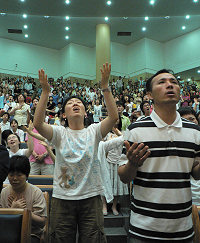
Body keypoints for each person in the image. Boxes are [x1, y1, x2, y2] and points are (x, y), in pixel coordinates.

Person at [33, 63, 118, 243]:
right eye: (70, 103)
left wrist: (105, 87)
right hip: (62, 199)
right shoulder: (59, 133)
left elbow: (113, 117)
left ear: (85, 111)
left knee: (93, 239)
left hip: (91, 197)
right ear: (64, 115)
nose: (75, 104)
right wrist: (45, 92)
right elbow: (38, 124)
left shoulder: (93, 131)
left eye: (79, 102)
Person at [118, 69, 200, 242]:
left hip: (183, 229)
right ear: (149, 94)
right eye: (161, 82)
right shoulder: (136, 130)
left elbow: (196, 173)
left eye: (173, 82)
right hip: (143, 229)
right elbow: (124, 177)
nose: (169, 85)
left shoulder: (194, 130)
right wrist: (132, 164)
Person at [0, 155, 47, 243]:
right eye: (11, 175)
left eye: (19, 175)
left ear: (27, 175)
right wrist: (12, 211)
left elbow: (42, 222)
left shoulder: (36, 192)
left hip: (32, 234)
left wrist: (24, 211)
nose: (14, 178)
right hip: (8, 233)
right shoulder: (4, 192)